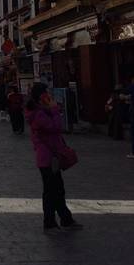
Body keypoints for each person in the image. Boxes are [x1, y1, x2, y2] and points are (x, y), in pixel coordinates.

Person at [25, 82, 82, 233]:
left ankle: (66, 219)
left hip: (52, 156)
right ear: (41, 96)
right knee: (51, 191)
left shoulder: (42, 111)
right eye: (47, 93)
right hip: (47, 158)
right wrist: (55, 110)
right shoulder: (38, 114)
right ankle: (49, 222)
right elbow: (56, 127)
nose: (49, 95)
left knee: (58, 189)